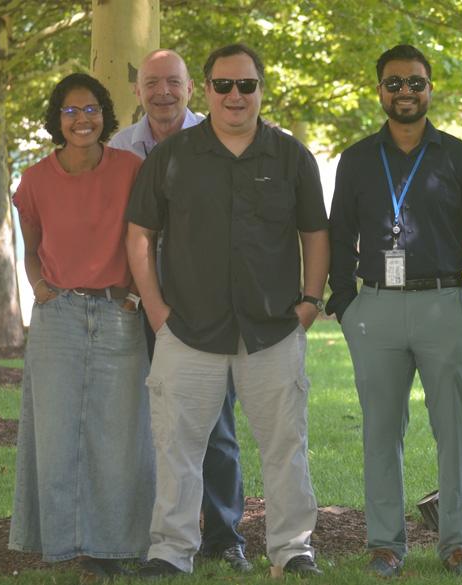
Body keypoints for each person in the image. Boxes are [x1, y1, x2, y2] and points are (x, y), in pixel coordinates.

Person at [124, 43, 329, 579]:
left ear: (262, 89)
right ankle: (170, 551)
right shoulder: (171, 158)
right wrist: (156, 311)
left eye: (246, 85)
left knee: (285, 447)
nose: (235, 96)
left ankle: (292, 550)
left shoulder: (292, 156)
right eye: (223, 85)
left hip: (272, 332)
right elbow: (140, 235)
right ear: (206, 90)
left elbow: (316, 233)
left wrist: (310, 303)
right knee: (176, 449)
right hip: (187, 330)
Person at [326, 44, 462, 578]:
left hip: (444, 303)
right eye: (395, 83)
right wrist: (344, 297)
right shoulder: (358, 158)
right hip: (375, 307)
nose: (406, 92)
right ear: (379, 90)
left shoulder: (459, 155)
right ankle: (384, 544)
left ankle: (457, 542)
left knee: (453, 428)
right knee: (381, 428)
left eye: (416, 83)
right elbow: (339, 233)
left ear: (430, 89)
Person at [108, 48, 251, 574]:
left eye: (173, 82)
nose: (162, 92)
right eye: (152, 83)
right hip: (139, 305)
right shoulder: (121, 149)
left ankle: (223, 534)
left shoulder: (220, 138)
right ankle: (152, 533)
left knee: (216, 421)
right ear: (139, 91)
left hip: (210, 305)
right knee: (149, 420)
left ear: (192, 89)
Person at [9, 72, 154, 581]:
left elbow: (148, 240)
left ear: (105, 116)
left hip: (118, 313)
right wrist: (37, 286)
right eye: (70, 111)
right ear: (57, 120)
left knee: (119, 433)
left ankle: (113, 545)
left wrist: (136, 295)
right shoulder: (34, 179)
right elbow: (29, 245)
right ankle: (61, 540)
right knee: (55, 431)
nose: (81, 119)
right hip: (58, 318)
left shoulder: (131, 170)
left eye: (90, 109)